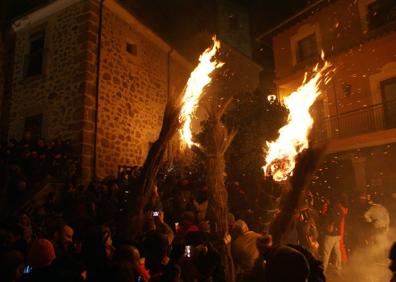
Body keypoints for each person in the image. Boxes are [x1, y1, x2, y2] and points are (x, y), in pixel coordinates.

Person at [321, 201, 343, 274]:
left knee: (326, 253)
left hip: (331, 235)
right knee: (337, 251)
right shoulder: (340, 209)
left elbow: (330, 218)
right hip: (338, 234)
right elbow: (339, 218)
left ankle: (322, 271)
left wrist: (330, 224)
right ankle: (338, 268)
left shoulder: (331, 209)